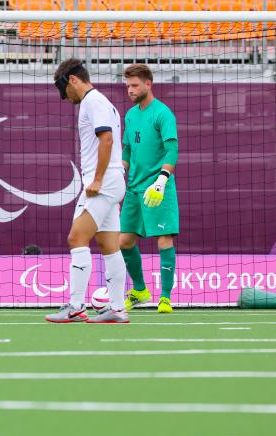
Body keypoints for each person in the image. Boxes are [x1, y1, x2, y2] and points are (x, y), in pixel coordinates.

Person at [45, 59, 129, 324]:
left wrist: (98, 179)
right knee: (108, 246)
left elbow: (106, 139)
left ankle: (75, 306)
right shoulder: (101, 102)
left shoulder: (93, 102)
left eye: (64, 90)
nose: (65, 98)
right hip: (111, 181)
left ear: (72, 80)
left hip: (101, 183)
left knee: (76, 238)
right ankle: (117, 309)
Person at [120, 64, 179, 314]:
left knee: (164, 240)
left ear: (148, 84)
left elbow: (172, 149)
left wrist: (162, 180)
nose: (130, 90)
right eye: (128, 86)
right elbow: (127, 150)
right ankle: (140, 290)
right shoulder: (131, 115)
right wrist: (118, 171)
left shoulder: (163, 113)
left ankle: (165, 298)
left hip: (157, 188)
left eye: (134, 85)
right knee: (123, 241)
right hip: (133, 189)